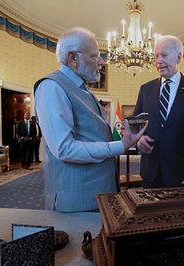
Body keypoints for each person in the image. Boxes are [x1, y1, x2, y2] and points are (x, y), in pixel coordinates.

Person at [34, 27, 146, 212]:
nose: (101, 62)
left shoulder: (83, 88)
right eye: (94, 56)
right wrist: (121, 145)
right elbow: (64, 149)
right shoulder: (51, 87)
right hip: (77, 199)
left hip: (96, 194)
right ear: (73, 58)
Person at [133, 35, 184, 188]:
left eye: (164, 55)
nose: (158, 61)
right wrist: (139, 139)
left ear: (179, 57)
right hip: (150, 170)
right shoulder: (146, 89)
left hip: (180, 172)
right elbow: (135, 123)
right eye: (156, 55)